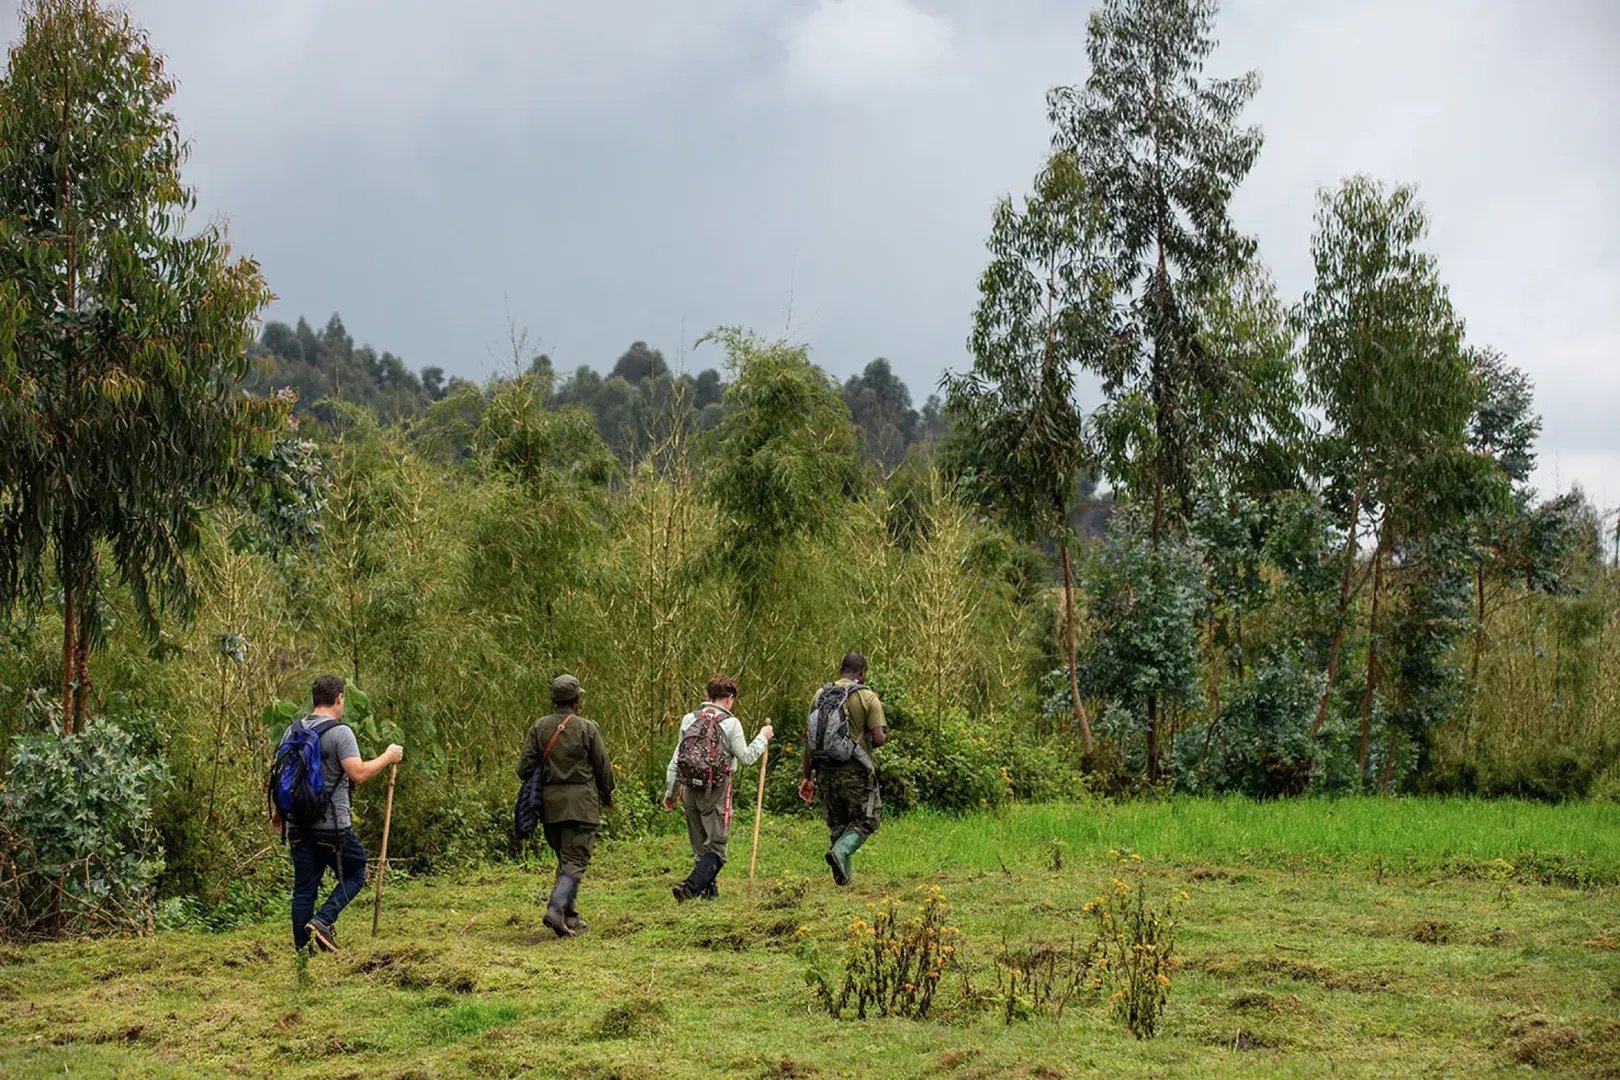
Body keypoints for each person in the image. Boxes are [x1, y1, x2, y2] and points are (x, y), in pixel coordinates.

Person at [272, 674, 404, 953]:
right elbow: (357, 773)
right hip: (333, 827)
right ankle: (323, 920)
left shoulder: (293, 730)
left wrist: (279, 813)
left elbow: (282, 775)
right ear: (339, 698)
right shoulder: (340, 732)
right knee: (357, 871)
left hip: (296, 825)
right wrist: (388, 756)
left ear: (314, 698)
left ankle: (301, 953)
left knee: (304, 888)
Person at [517, 674, 615, 938]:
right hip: (581, 806)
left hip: (549, 808)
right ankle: (556, 909)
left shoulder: (538, 727)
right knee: (576, 860)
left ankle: (569, 918)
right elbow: (603, 766)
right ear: (576, 700)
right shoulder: (587, 728)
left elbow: (523, 768)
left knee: (566, 861)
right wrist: (607, 793)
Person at [662, 674, 773, 902]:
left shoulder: (688, 719)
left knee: (701, 848)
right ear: (730, 698)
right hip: (716, 791)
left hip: (689, 790)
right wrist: (762, 737)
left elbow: (676, 759)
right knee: (717, 850)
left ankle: (710, 894)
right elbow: (746, 757)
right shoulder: (730, 723)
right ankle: (689, 888)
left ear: (708, 696)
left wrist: (670, 793)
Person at [798, 652, 886, 886]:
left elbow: (810, 739)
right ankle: (841, 852)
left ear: (841, 669)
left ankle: (844, 880)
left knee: (839, 823)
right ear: (862, 672)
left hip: (825, 771)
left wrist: (808, 776)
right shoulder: (868, 697)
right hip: (855, 771)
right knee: (868, 819)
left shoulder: (820, 695)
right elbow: (878, 739)